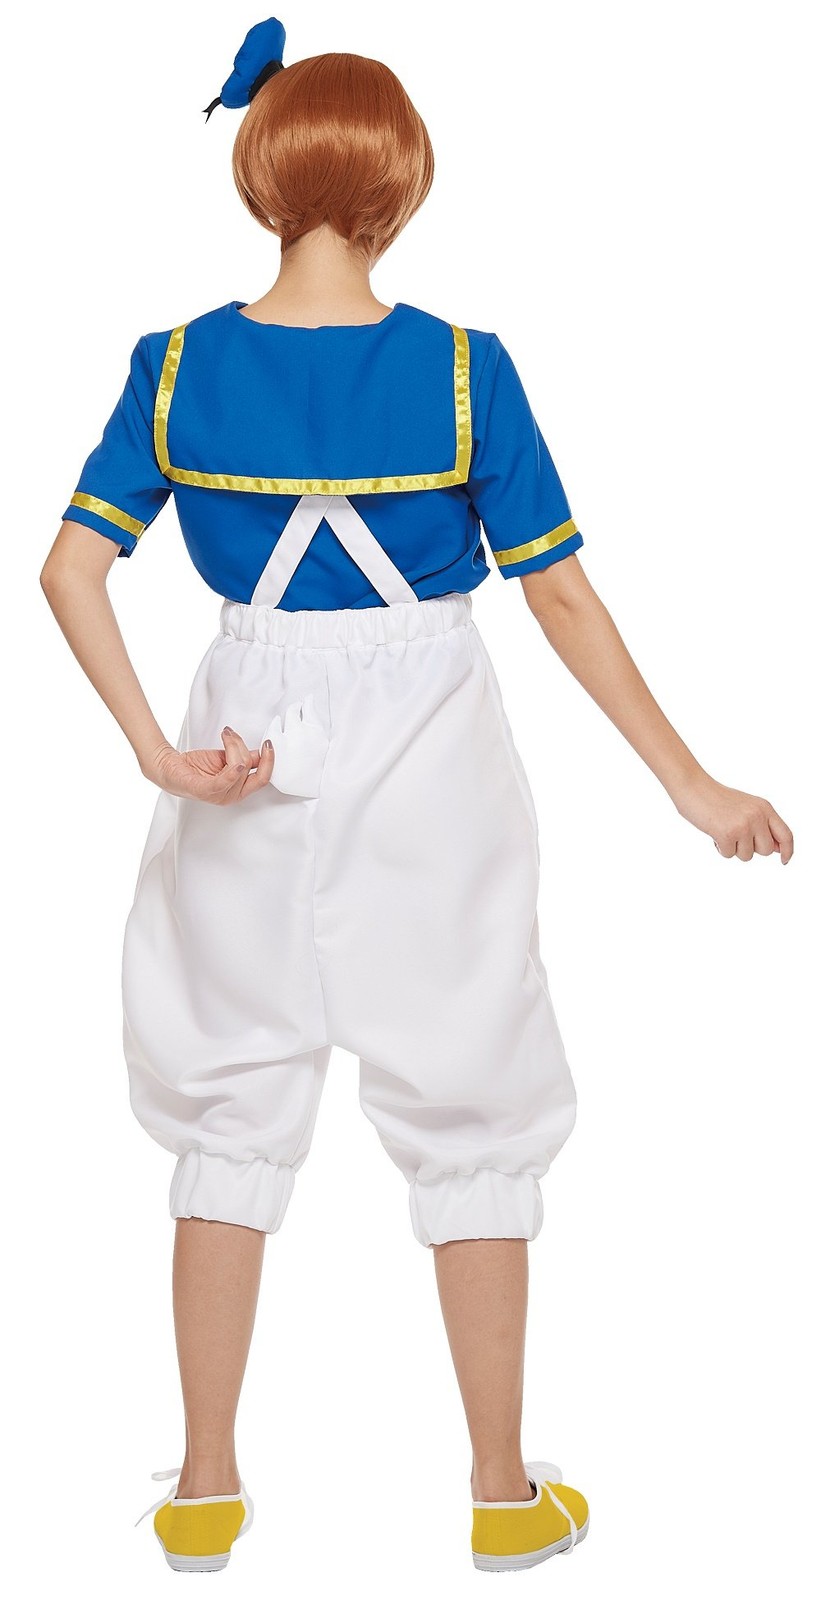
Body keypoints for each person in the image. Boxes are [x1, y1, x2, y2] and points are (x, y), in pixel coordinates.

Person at [39, 15, 794, 1577]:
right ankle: (501, 1495)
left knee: (229, 1103)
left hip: (238, 733)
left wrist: (154, 755)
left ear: (260, 179)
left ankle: (203, 1487)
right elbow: (559, 596)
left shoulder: (173, 364)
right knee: (472, 1104)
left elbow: (67, 570)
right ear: (399, 188)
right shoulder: (464, 368)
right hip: (430, 741)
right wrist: (687, 781)